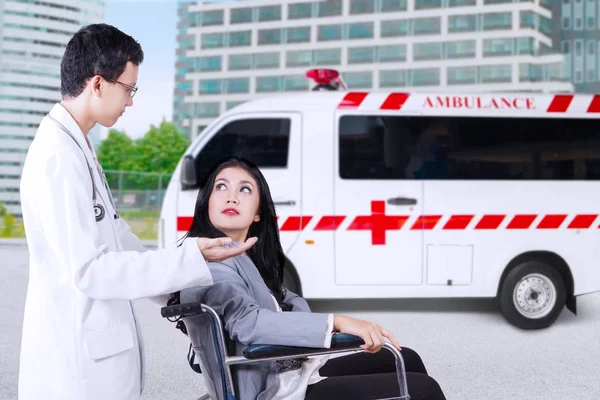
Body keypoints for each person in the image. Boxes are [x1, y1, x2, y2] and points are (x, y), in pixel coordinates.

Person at [17, 24, 255, 400]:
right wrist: (188, 259)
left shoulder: (77, 147)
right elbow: (90, 270)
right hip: (76, 371)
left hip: (92, 362)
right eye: (128, 89)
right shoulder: (57, 157)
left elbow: (118, 237)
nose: (130, 101)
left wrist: (182, 272)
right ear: (98, 84)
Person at [168, 157, 447, 400]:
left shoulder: (245, 260)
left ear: (257, 213)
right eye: (221, 186)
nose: (231, 196)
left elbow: (290, 306)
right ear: (207, 203)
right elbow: (248, 323)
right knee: (423, 389)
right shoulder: (211, 265)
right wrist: (338, 322)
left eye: (244, 189)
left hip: (296, 371)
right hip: (276, 389)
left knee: (406, 358)